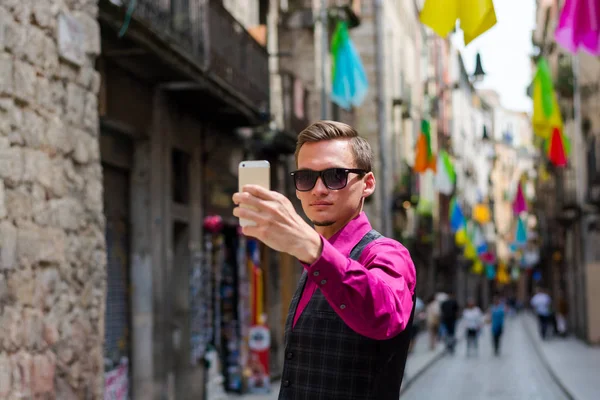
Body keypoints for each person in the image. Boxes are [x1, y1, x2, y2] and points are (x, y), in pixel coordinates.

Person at [233, 121, 416, 400]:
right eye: (306, 178)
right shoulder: (313, 260)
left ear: (367, 184)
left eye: (335, 175)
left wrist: (313, 249)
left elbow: (385, 314)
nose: (318, 189)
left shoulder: (387, 253)